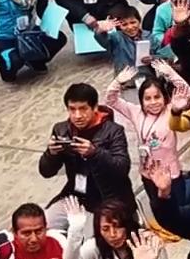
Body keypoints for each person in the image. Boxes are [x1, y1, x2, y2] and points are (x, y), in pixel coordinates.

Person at [39, 83, 134, 223]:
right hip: (75, 195)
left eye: (83, 109)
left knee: (91, 240)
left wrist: (95, 153)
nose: (77, 116)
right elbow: (46, 172)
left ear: (95, 108)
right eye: (72, 110)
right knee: (45, 224)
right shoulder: (61, 129)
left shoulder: (113, 131)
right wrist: (51, 154)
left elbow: (122, 168)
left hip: (107, 199)